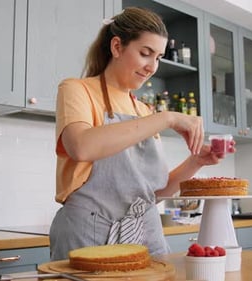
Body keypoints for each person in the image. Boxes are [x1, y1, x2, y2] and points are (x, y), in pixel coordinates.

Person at [49, 7, 235, 261]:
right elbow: (81, 146)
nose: (152, 67)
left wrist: (196, 162)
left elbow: (152, 193)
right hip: (89, 233)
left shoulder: (144, 111)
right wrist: (167, 117)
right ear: (117, 47)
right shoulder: (77, 90)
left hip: (145, 233)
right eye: (145, 54)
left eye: (158, 57)